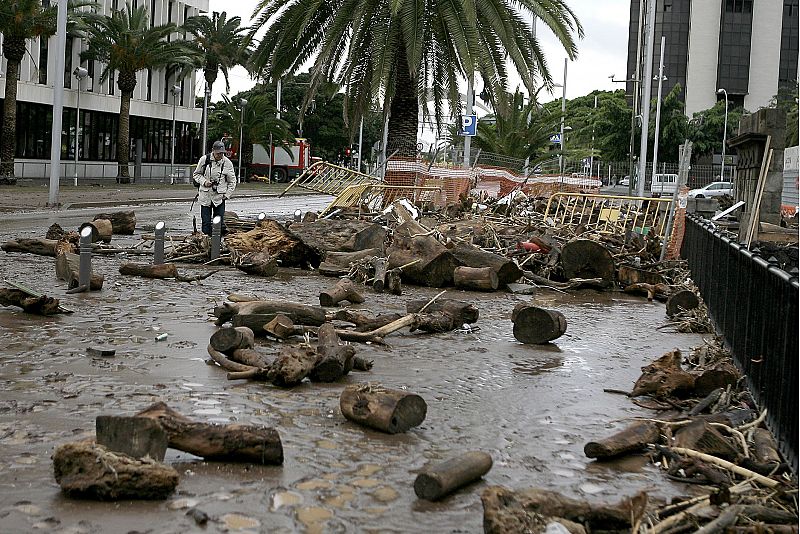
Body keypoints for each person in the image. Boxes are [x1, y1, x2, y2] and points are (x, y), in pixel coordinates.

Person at [193, 140, 237, 235]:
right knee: (206, 223)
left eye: (222, 153)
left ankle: (217, 244)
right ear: (213, 151)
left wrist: (227, 194)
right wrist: (204, 182)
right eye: (218, 153)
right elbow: (196, 174)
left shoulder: (227, 163)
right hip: (205, 196)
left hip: (219, 198)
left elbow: (232, 181)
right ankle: (206, 242)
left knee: (218, 223)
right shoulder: (204, 159)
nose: (220, 155)